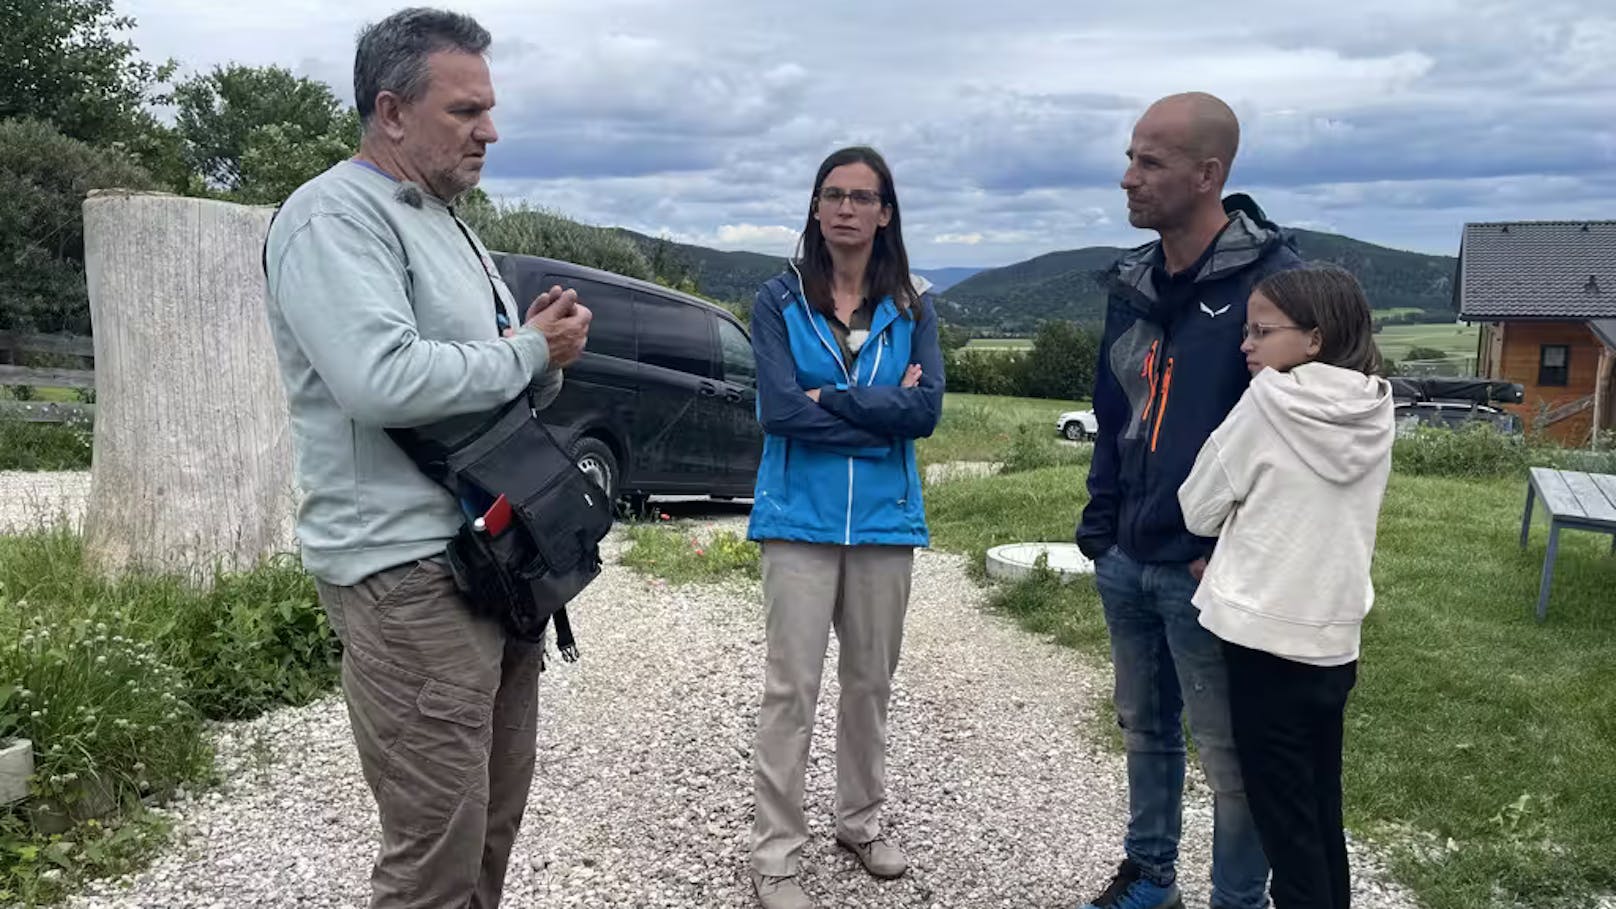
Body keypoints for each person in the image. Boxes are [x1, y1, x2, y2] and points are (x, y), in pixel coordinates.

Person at [262, 8, 591, 908]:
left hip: (493, 560)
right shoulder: (331, 217)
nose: (491, 129)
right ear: (392, 110)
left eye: (489, 109)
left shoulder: (449, 222)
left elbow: (489, 383)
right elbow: (382, 380)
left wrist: (543, 353)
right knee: (435, 851)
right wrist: (527, 351)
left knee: (489, 822)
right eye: (466, 110)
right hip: (407, 575)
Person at [1074, 91, 1302, 909]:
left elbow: (1295, 444)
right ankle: (1150, 877)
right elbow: (1114, 412)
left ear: (1208, 175)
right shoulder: (1133, 280)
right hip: (1129, 555)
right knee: (1145, 728)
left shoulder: (1279, 289)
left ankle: (1236, 900)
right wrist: (1103, 528)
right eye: (1131, 156)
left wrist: (1237, 551)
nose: (1127, 177)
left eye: (1149, 161)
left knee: (1230, 754)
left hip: (1215, 570)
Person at [744, 145, 945, 909]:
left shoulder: (916, 303)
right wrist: (874, 413)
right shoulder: (779, 299)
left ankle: (859, 822)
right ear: (816, 208)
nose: (847, 209)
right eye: (833, 194)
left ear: (885, 211)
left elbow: (925, 413)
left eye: (863, 197)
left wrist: (830, 399)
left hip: (886, 523)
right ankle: (774, 855)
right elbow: (778, 408)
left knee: (870, 684)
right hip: (798, 517)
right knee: (790, 689)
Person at [1178, 265, 1393, 909]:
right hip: (1334, 640)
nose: (1246, 344)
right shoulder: (1376, 407)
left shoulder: (1269, 401)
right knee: (1320, 807)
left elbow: (1197, 505)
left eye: (1261, 331)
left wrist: (1236, 532)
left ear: (1315, 339)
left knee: (1282, 818)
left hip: (1263, 637)